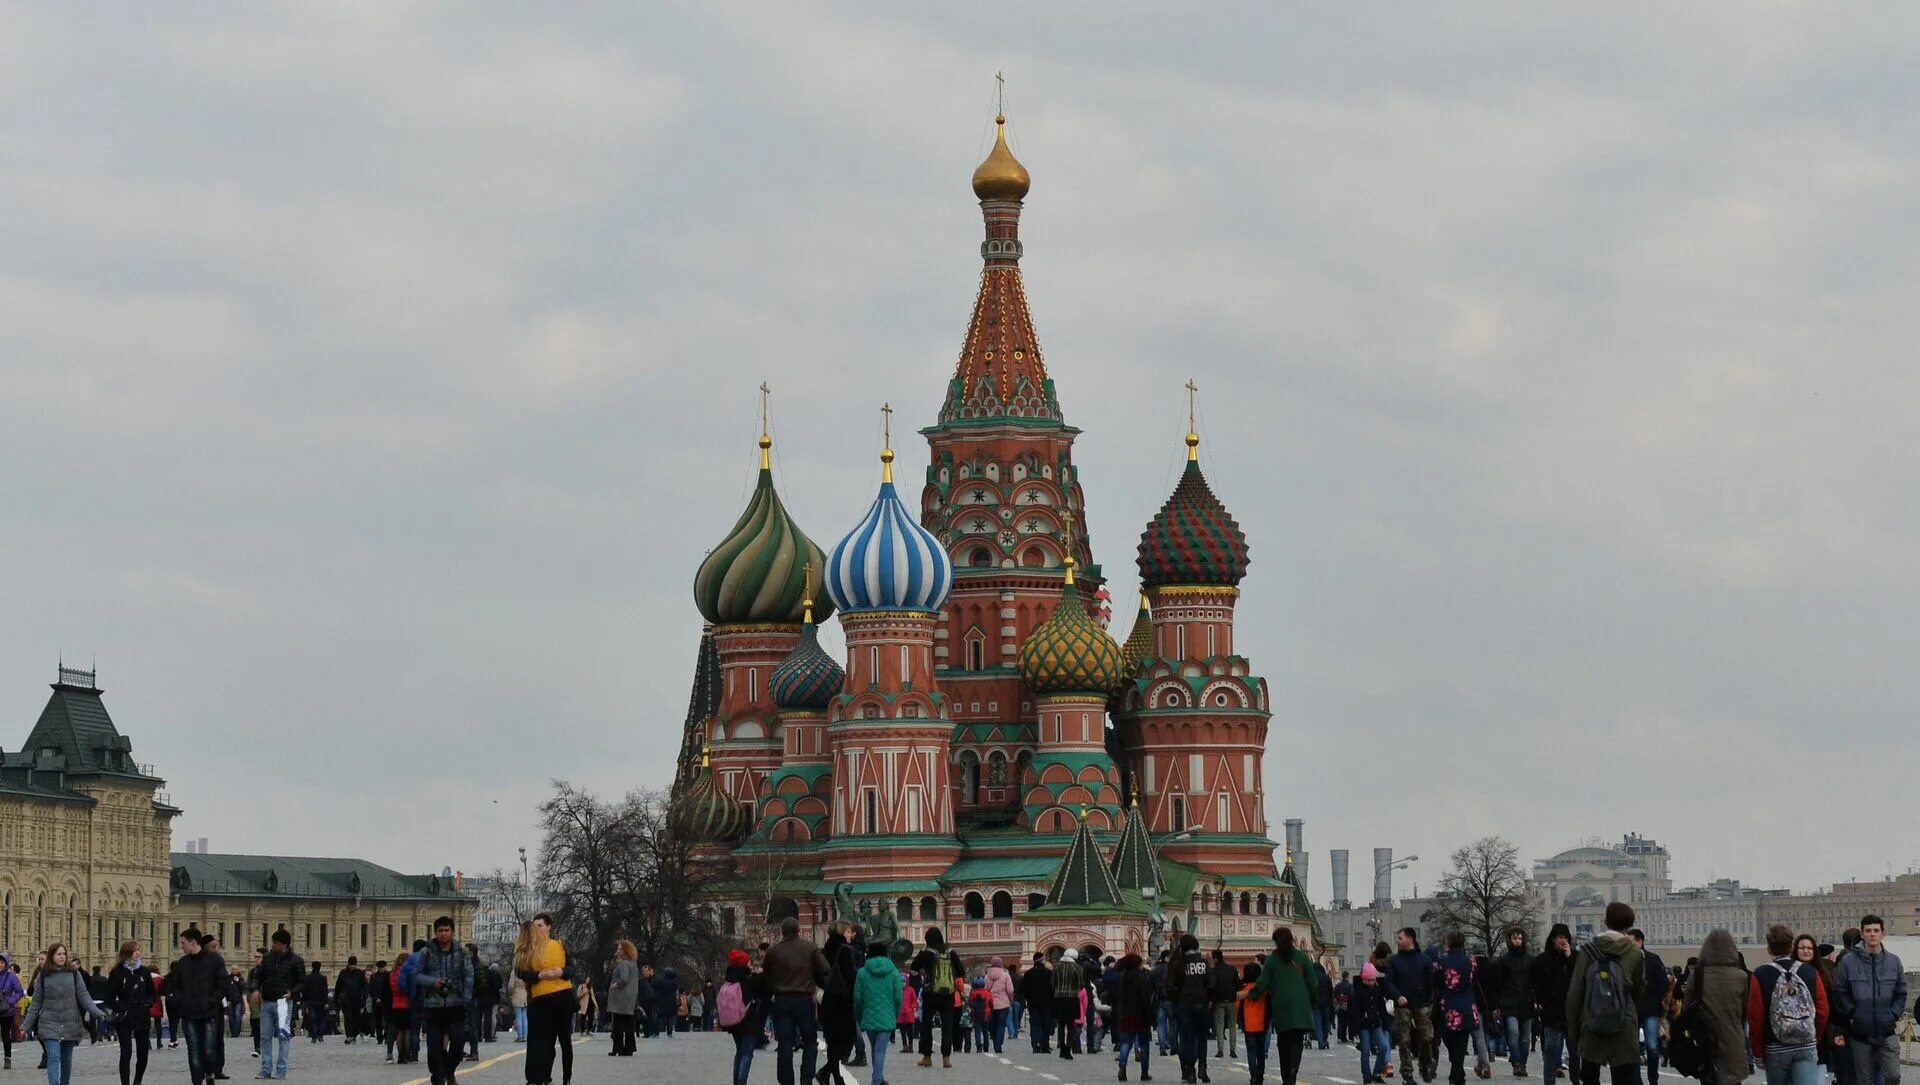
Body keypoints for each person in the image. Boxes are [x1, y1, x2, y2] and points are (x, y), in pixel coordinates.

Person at [1566, 902, 1646, 1085]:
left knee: (1589, 1076)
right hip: (1623, 1022)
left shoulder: (1587, 951)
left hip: (1592, 1021)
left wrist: (1575, 1031)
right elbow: (1637, 991)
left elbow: (1575, 994)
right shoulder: (1635, 954)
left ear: (1606, 921)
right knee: (1624, 1077)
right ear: (1629, 925)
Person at [1745, 924, 1827, 1085]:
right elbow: (1823, 1010)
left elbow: (1755, 1018)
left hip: (1775, 1047)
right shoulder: (1810, 972)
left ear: (1769, 948)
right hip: (1805, 1044)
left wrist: (1757, 1052)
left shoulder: (1761, 974)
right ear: (1791, 947)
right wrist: (1815, 1037)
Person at [1832, 914, 1906, 1085]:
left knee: (1893, 1076)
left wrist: (1893, 1014)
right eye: (1868, 931)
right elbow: (1840, 992)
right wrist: (1853, 1013)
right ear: (1862, 933)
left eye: (1876, 930)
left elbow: (1901, 992)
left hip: (1887, 1031)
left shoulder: (1894, 962)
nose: (1872, 934)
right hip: (1860, 1033)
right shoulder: (1848, 962)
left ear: (1882, 934)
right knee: (1865, 1080)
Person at [22, 943, 109, 1085]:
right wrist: (25, 1025)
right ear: (52, 956)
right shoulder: (43, 977)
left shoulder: (74, 974)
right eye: (58, 954)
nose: (62, 957)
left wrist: (98, 1013)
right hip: (49, 1022)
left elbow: (84, 996)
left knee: (66, 1060)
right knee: (53, 1057)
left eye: (64, 954)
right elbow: (36, 1003)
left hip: (70, 1022)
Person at [1242, 927, 1318, 1085]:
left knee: (1283, 1042)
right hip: (1299, 1005)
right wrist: (1312, 1000)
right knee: (1297, 1041)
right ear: (1291, 939)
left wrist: (1249, 994)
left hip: (1281, 1006)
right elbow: (1312, 982)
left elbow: (1263, 982)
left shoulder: (1272, 959)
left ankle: (1286, 1077)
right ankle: (1292, 1071)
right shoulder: (1302, 957)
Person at [762, 915, 830, 1085]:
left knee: (785, 1042)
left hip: (782, 1000)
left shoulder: (773, 951)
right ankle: (806, 1078)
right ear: (798, 930)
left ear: (782, 931)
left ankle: (786, 1081)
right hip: (804, 999)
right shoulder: (810, 948)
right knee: (809, 1040)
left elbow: (766, 973)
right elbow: (825, 969)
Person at [514, 914, 576, 1085]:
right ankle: (541, 1077)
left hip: (563, 996)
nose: (537, 929)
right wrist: (538, 975)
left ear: (549, 927)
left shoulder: (560, 945)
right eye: (535, 926)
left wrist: (562, 972)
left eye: (540, 925)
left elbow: (572, 968)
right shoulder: (530, 948)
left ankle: (566, 1078)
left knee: (565, 1040)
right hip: (541, 999)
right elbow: (520, 970)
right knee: (545, 1042)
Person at [1683, 930, 1751, 1085]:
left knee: (1708, 1077)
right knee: (1733, 1079)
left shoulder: (1697, 975)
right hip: (1733, 1038)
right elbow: (1745, 1009)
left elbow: (1687, 1009)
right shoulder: (1741, 977)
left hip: (1705, 1038)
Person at [413, 916, 474, 1085]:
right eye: (440, 930)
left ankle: (449, 1071)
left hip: (456, 1003)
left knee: (458, 1041)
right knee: (433, 1046)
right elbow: (416, 975)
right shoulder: (427, 952)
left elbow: (469, 975)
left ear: (452, 932)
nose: (443, 934)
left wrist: (466, 998)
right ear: (435, 932)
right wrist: (433, 982)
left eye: (446, 930)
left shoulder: (461, 952)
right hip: (433, 1004)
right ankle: (438, 1076)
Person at [167, 928, 229, 1085]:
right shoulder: (183, 962)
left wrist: (212, 1000)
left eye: (183, 943)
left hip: (208, 1013)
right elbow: (175, 986)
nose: (181, 946)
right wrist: (180, 1000)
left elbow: (222, 984)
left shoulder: (215, 960)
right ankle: (196, 1082)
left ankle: (209, 1074)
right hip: (188, 1014)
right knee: (194, 1053)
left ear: (192, 942)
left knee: (208, 1051)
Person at [1530, 924, 1581, 1085]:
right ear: (1553, 939)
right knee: (1551, 1049)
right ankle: (1549, 1081)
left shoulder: (1576, 957)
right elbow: (1537, 983)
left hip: (1572, 1012)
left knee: (1574, 1052)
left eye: (1566, 938)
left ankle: (1575, 1079)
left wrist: (1570, 957)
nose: (1563, 941)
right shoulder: (1542, 960)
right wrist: (1540, 1002)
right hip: (1552, 1011)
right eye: (1560, 937)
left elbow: (1581, 978)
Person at [103, 941, 158, 1085]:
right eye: (135, 951)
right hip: (125, 1017)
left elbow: (152, 993)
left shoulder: (144, 972)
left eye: (139, 950)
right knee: (126, 1053)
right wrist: (122, 1007)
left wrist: (148, 1004)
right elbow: (108, 997)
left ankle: (138, 1080)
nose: (138, 953)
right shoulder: (117, 973)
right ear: (127, 954)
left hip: (142, 1015)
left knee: (143, 1054)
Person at [1389, 928, 1439, 1084]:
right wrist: (1398, 996)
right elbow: (1389, 981)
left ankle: (1424, 1064)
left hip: (1421, 1004)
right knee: (1404, 1040)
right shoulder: (1394, 960)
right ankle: (1407, 1074)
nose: (1397, 941)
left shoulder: (1424, 959)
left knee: (1426, 1037)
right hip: (1402, 1006)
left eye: (1400, 938)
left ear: (1410, 939)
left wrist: (1430, 998)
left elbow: (1432, 981)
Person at [253, 929, 303, 1079]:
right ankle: (265, 1069)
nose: (272, 945)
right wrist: (255, 989)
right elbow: (258, 975)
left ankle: (281, 1070)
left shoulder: (296, 961)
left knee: (283, 1037)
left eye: (275, 943)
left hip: (283, 1003)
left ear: (284, 944)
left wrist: (292, 993)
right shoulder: (267, 958)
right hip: (267, 1002)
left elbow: (302, 982)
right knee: (265, 1037)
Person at [1433, 932, 1482, 1085]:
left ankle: (1456, 1072)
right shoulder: (1471, 961)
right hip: (1467, 1005)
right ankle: (1457, 1072)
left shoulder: (1442, 962)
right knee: (1462, 1041)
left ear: (1448, 943)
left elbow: (1436, 982)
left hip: (1449, 1006)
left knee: (1450, 1041)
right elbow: (1474, 983)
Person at [913, 928, 965, 1068]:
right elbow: (961, 971)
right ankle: (946, 1058)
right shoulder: (950, 952)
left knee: (927, 1025)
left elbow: (914, 966)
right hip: (948, 994)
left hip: (930, 993)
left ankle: (927, 1057)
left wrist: (923, 951)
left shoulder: (927, 953)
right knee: (947, 1025)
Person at [853, 941, 902, 1085]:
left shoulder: (862, 972)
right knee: (880, 1051)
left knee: (875, 1050)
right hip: (887, 1017)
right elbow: (898, 996)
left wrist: (861, 1014)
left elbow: (857, 997)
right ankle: (876, 1081)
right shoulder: (893, 971)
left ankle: (878, 1079)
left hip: (869, 1017)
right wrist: (895, 1014)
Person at [1625, 930, 1669, 1085]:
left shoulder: (1652, 959)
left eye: (1631, 941)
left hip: (1650, 1010)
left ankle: (1653, 1078)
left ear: (1640, 942)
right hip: (1631, 1011)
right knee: (1633, 1048)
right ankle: (1637, 1080)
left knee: (1652, 1046)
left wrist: (1656, 1000)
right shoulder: (1625, 960)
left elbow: (1663, 983)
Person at [718, 949, 766, 1085]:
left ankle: (736, 1081)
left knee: (739, 1052)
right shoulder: (748, 978)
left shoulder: (729, 979)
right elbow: (761, 992)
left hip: (734, 1022)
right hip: (748, 1020)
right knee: (747, 1053)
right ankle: (741, 1082)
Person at [1793, 936, 1838, 1081]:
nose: (1806, 951)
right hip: (1794, 1034)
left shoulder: (1823, 974)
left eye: (1809, 948)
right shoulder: (1788, 973)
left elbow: (1830, 1005)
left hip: (1819, 1034)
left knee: (1817, 1077)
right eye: (1802, 948)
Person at [821, 922, 860, 1085]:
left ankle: (836, 1077)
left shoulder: (824, 950)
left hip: (827, 999)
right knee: (846, 1039)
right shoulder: (844, 951)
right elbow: (850, 978)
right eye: (849, 932)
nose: (851, 935)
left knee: (832, 1040)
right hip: (842, 1001)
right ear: (842, 932)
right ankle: (824, 1072)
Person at [1493, 928, 1535, 1078]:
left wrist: (1536, 1000)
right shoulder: (1504, 961)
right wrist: (1497, 1003)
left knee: (1525, 1038)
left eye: (1519, 938)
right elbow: (1498, 983)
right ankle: (1516, 1062)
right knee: (1513, 1033)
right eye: (1514, 938)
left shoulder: (1530, 960)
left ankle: (1522, 1064)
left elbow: (1535, 981)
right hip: (1509, 1002)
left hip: (1527, 1002)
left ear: (1523, 940)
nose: (1517, 940)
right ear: (1509, 940)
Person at [1110, 952, 1154, 1082]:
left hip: (1126, 1014)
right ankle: (1144, 1072)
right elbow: (1146, 998)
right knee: (1144, 1045)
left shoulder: (1122, 977)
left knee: (1126, 1042)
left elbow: (1118, 996)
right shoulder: (1142, 977)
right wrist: (1150, 1016)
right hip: (1140, 1015)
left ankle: (1122, 1066)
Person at [1352, 962, 1394, 1085]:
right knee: (1365, 1052)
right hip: (1363, 1026)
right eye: (1369, 980)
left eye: (1373, 979)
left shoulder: (1377, 989)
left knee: (1384, 1047)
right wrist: (1354, 1030)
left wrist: (1386, 1024)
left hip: (1376, 1024)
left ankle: (1376, 1072)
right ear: (1364, 979)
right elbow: (1354, 1012)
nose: (1371, 982)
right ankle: (1366, 1075)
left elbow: (1382, 1008)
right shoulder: (1358, 991)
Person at [1052, 947, 1086, 1062]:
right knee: (1071, 1025)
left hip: (1058, 998)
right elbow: (1081, 985)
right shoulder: (1077, 968)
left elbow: (1052, 983)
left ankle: (1061, 1048)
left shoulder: (1056, 967)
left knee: (1061, 1025)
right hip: (1072, 999)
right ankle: (1068, 1050)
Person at [606, 941, 639, 1056]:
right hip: (630, 996)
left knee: (618, 1023)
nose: (618, 950)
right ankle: (629, 1047)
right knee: (629, 1024)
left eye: (620, 949)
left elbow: (624, 979)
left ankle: (618, 1047)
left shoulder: (624, 963)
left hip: (621, 997)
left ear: (625, 951)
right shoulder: (633, 963)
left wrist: (615, 984)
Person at [1020, 952, 1053, 1054]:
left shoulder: (1028, 973)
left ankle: (1035, 1045)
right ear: (1042, 960)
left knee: (1034, 1024)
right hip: (1046, 1004)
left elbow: (1023, 989)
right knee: (1045, 1025)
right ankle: (1045, 1045)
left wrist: (1028, 998)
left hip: (1033, 1004)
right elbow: (1052, 989)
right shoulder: (1049, 973)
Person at [1209, 951, 1239, 1061]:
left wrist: (1211, 999)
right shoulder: (1232, 969)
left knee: (1219, 1026)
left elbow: (1212, 986)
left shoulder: (1214, 971)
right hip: (1231, 1000)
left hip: (1219, 1001)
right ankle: (1232, 1050)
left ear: (1216, 959)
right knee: (1232, 1026)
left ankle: (1220, 1050)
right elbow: (1238, 984)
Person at [983, 956, 1014, 1054]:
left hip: (991, 1004)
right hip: (1003, 1004)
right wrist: (1011, 1000)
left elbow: (985, 990)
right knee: (1001, 1025)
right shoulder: (1005, 975)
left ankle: (994, 1040)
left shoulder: (987, 976)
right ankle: (998, 1044)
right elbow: (1010, 990)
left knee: (993, 1024)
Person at [334, 958, 365, 1045]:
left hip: (357, 999)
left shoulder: (360, 973)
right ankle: (349, 1036)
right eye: (351, 965)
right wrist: (336, 999)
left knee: (356, 1018)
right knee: (348, 1018)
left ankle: (354, 1035)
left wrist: (364, 998)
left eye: (353, 965)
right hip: (345, 1000)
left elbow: (364, 987)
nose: (352, 967)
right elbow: (337, 987)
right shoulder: (343, 973)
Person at [1, 953, 24, 1070]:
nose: (0, 965)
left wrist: (11, 1000)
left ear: (6, 963)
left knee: (6, 1035)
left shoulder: (11, 976)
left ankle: (7, 1058)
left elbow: (19, 991)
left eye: (2, 962)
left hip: (7, 1010)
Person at [298, 963, 326, 1043]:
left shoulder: (307, 978)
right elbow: (325, 991)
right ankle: (320, 1035)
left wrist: (303, 1001)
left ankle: (314, 1036)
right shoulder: (323, 978)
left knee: (312, 1019)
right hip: (321, 1002)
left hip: (310, 1002)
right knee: (320, 1019)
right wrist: (326, 1002)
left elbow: (304, 991)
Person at [1334, 971, 1354, 1046]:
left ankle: (1341, 1037)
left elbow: (1335, 996)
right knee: (1349, 1022)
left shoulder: (1338, 985)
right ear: (1347, 976)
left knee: (1340, 1022)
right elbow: (1352, 996)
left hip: (1340, 1005)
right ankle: (1350, 1037)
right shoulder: (1350, 986)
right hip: (1348, 1006)